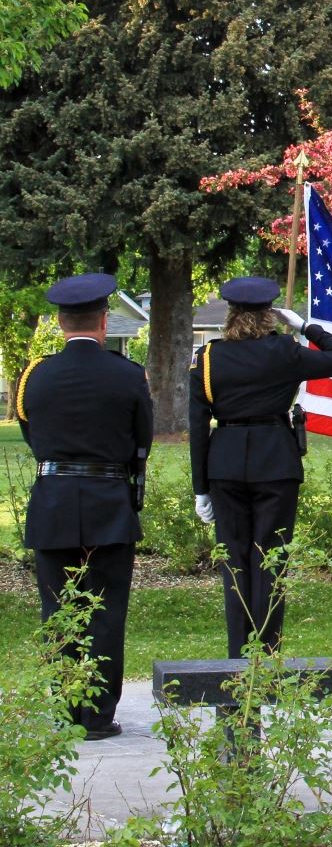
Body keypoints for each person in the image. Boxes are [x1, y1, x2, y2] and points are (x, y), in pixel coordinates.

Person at [189, 276, 332, 658]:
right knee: (271, 561)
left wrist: (200, 487)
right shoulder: (285, 350)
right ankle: (266, 656)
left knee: (235, 564)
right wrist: (305, 326)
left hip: (226, 464)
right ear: (270, 315)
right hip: (276, 463)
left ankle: (238, 661)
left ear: (230, 314)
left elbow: (198, 427)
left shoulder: (208, 358)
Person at [17, 272, 153, 740]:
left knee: (58, 612)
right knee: (106, 610)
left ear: (59, 323)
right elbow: (142, 441)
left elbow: (33, 436)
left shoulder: (34, 375)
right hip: (108, 503)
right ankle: (97, 715)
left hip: (53, 500)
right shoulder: (129, 374)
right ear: (102, 321)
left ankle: (65, 709)